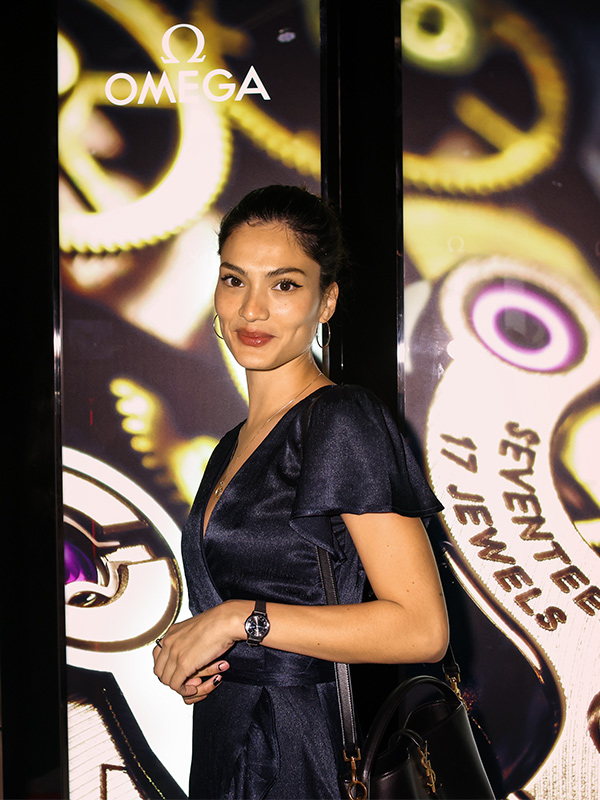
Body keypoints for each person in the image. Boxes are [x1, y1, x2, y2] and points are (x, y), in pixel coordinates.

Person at [153, 185, 449, 799]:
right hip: (229, 744)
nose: (252, 309)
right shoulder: (232, 443)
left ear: (326, 301)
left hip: (303, 755)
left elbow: (422, 629)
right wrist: (198, 657)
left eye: (284, 284)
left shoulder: (341, 420)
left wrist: (237, 620)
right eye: (234, 280)